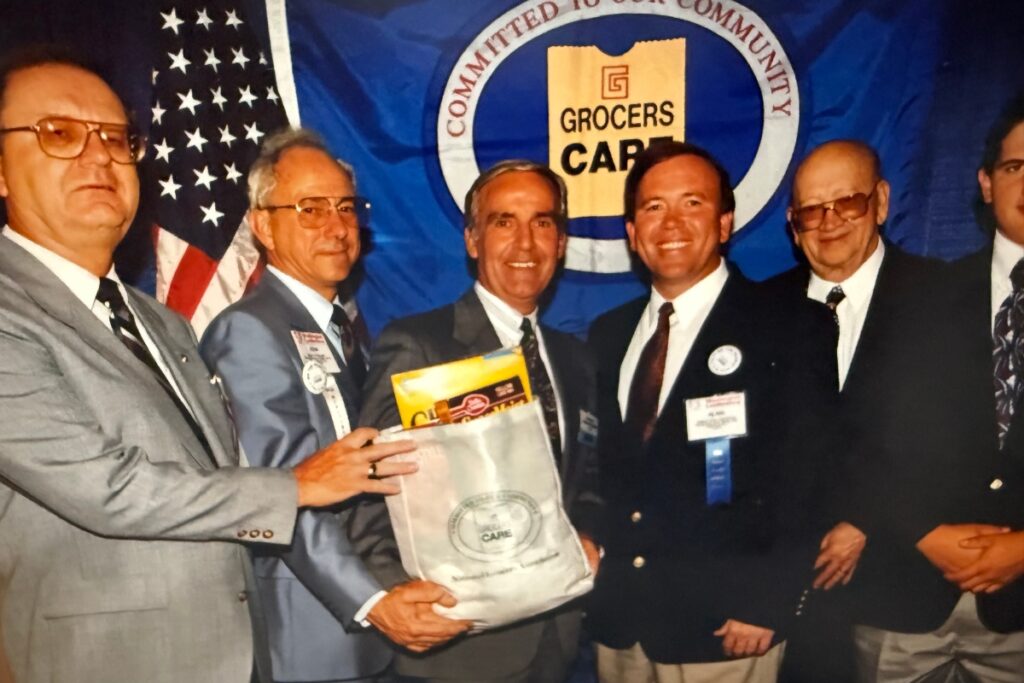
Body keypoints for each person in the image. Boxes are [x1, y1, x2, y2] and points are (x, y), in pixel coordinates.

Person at [0, 47, 415, 683]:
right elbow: (107, 490)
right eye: (59, 133)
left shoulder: (160, 321)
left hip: (236, 652)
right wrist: (298, 487)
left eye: (117, 137)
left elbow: (219, 472)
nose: (98, 155)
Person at [200, 128, 471, 683]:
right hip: (310, 632)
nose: (336, 225)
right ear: (262, 225)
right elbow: (287, 491)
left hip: (359, 629)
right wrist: (372, 600)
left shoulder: (339, 329)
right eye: (310, 208)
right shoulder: (250, 331)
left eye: (346, 206)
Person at [586, 140, 837, 683]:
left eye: (692, 203)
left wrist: (769, 599)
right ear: (632, 232)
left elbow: (809, 476)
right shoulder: (608, 335)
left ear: (725, 224)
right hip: (623, 622)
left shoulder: (790, 324)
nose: (671, 221)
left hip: (727, 626)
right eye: (653, 207)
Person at [774, 137, 1024, 681]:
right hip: (794, 592)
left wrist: (867, 518)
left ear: (882, 202)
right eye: (812, 210)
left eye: (849, 202)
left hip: (913, 582)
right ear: (792, 224)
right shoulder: (760, 311)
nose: (830, 222)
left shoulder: (950, 295)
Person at [358, 159, 603, 682]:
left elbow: (587, 479)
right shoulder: (419, 345)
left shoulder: (576, 360)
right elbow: (367, 487)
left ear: (561, 243)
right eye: (503, 222)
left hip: (557, 639)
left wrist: (591, 537)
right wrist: (396, 596)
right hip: (456, 648)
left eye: (542, 222)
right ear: (472, 240)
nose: (525, 243)